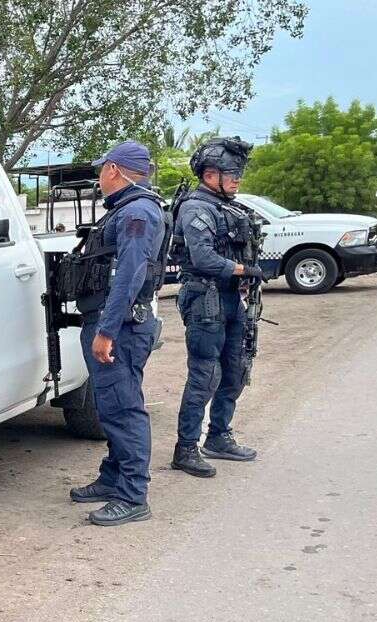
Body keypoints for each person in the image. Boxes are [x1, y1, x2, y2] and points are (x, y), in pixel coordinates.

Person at [68, 140, 165, 527]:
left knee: (124, 409)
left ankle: (133, 495)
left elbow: (129, 274)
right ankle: (113, 479)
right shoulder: (129, 210)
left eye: (101, 169)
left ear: (114, 170)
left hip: (122, 327)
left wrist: (106, 331)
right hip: (119, 324)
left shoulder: (137, 212)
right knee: (112, 406)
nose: (99, 177)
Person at [170, 137, 262, 479]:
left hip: (229, 298)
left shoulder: (225, 206)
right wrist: (243, 270)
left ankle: (219, 436)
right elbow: (204, 258)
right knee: (205, 375)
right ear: (210, 175)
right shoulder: (196, 207)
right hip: (204, 298)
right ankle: (186, 448)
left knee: (236, 368)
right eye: (231, 173)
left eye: (238, 173)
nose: (237, 179)